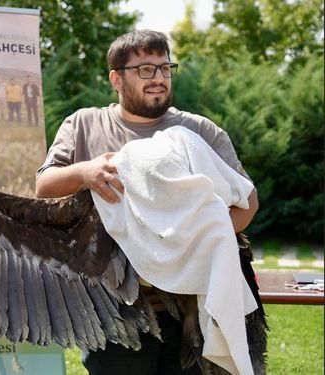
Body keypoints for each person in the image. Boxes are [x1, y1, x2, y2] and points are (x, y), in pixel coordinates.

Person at [35, 29, 258, 375]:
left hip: (192, 312)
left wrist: (197, 238)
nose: (158, 79)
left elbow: (248, 203)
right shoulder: (84, 124)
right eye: (145, 70)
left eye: (165, 68)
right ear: (116, 78)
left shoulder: (199, 132)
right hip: (115, 312)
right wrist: (85, 172)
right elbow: (43, 186)